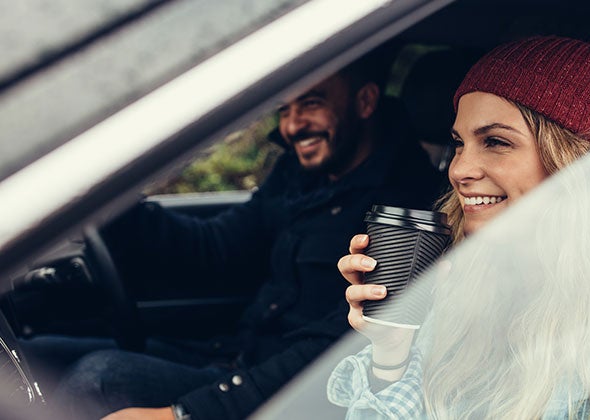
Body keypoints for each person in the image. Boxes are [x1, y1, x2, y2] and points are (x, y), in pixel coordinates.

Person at [327, 35, 590, 418]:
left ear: (577, 163)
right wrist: (390, 355)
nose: (459, 168)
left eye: (495, 142)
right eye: (459, 143)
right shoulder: (446, 305)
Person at [21, 49, 443, 420]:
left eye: (311, 104)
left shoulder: (405, 211)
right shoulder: (301, 175)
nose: (293, 125)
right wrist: (111, 204)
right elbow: (216, 249)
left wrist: (186, 413)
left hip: (282, 391)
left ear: (365, 101)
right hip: (232, 354)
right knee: (35, 356)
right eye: (285, 108)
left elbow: (339, 348)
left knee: (97, 379)